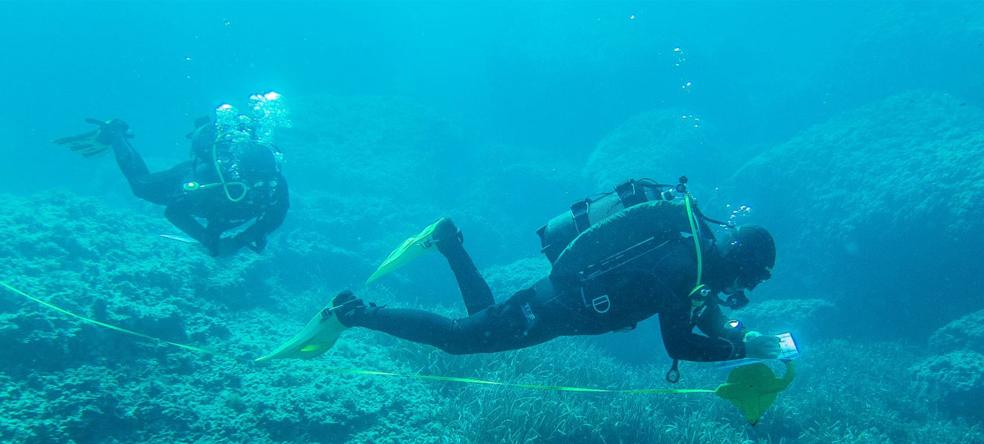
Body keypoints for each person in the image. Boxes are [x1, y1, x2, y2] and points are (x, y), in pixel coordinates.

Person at [262, 179, 779, 380]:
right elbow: (680, 341)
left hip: (565, 301)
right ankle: (352, 312)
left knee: (478, 324)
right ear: (737, 261)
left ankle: (448, 240)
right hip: (560, 307)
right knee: (459, 342)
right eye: (750, 279)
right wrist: (743, 352)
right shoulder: (684, 264)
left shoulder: (690, 257)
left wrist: (738, 333)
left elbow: (702, 308)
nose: (745, 291)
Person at [55, 115, 289, 257]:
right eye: (256, 183)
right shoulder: (212, 181)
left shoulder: (274, 182)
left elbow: (276, 216)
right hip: (190, 183)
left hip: (219, 210)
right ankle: (116, 133)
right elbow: (174, 211)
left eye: (269, 182)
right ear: (239, 177)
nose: (264, 188)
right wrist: (207, 240)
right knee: (140, 186)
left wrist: (238, 242)